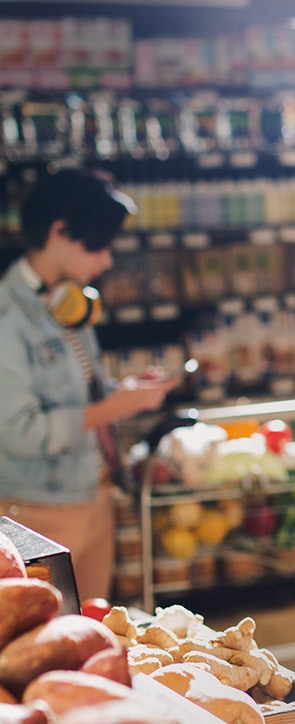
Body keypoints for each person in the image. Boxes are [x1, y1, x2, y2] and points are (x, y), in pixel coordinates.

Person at [0, 169, 178, 601]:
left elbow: (76, 392)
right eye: (98, 245)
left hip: (95, 494)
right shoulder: (9, 316)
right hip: (40, 510)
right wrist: (115, 407)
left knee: (95, 625)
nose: (106, 260)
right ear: (59, 232)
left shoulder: (68, 298)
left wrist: (122, 392)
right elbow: (19, 431)